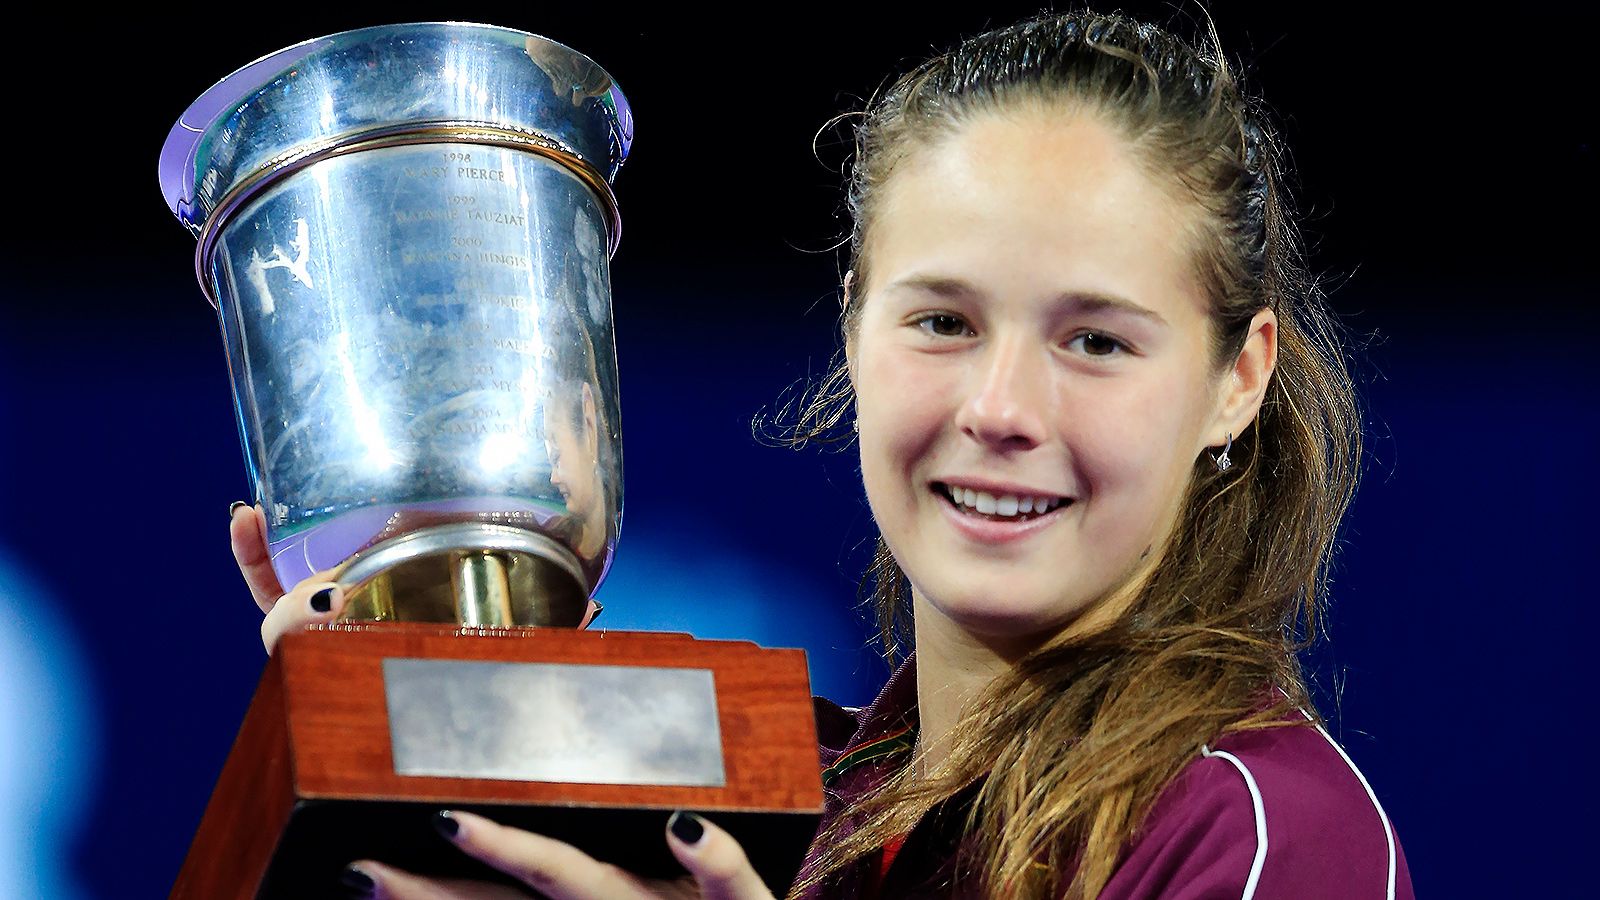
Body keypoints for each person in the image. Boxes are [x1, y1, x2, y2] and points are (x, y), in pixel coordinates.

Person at [228, 8, 1414, 898]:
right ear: (852, 328)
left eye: (1095, 341)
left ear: (1237, 378)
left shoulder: (1262, 833)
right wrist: (404, 719)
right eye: (942, 322)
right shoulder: (767, 799)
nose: (1001, 408)